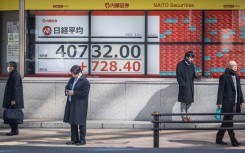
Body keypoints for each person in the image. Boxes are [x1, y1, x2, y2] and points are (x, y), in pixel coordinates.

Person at [216, 60, 245, 147]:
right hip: (227, 102)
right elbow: (220, 90)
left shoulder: (237, 76)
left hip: (235, 102)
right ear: (228, 66)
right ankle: (233, 140)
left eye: (236, 65)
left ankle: (218, 138)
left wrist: (242, 101)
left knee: (226, 121)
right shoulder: (224, 76)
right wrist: (219, 102)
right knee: (229, 122)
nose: (235, 67)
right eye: (233, 65)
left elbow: (239, 90)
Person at [63, 65, 90, 145]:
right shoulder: (72, 79)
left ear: (78, 73)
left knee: (81, 122)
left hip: (80, 105)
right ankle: (74, 139)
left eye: (73, 74)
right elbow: (67, 86)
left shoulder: (85, 81)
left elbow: (84, 93)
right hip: (71, 103)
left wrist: (73, 93)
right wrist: (67, 90)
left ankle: (82, 140)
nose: (72, 75)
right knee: (73, 122)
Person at [176, 51, 201, 122]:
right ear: (187, 57)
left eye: (193, 58)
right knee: (183, 102)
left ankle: (189, 116)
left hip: (190, 86)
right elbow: (178, 77)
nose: (192, 59)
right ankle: (184, 117)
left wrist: (196, 75)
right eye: (191, 58)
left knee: (189, 102)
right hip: (184, 87)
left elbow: (193, 75)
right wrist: (183, 84)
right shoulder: (180, 65)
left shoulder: (192, 65)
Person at [2, 61, 24, 136]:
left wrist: (13, 100)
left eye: (10, 66)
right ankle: (14, 130)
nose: (8, 68)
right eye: (8, 66)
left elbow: (16, 88)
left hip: (14, 99)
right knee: (12, 114)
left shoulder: (15, 75)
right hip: (12, 98)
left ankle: (14, 131)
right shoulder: (13, 74)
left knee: (13, 115)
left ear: (13, 67)